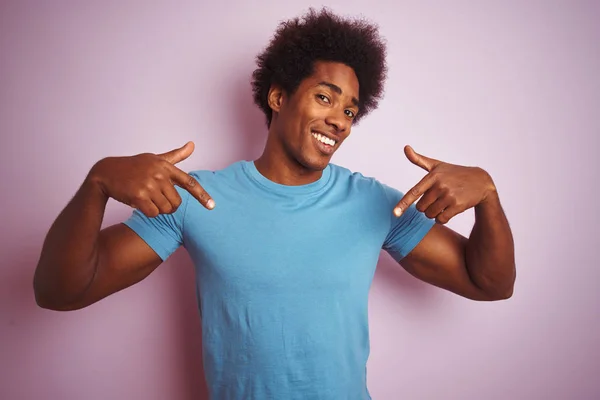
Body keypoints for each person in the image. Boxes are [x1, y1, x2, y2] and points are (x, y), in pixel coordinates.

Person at [33, 8, 516, 400]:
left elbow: (489, 282)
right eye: (325, 98)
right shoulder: (196, 198)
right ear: (280, 96)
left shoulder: (374, 203)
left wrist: (488, 197)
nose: (340, 121)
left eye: (350, 110)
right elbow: (61, 291)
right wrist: (96, 185)